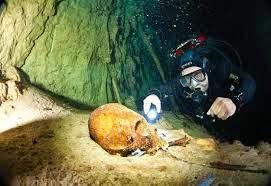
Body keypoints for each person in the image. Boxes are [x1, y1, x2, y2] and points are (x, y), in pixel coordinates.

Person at [143, 35, 256, 135]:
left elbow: (249, 81)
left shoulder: (220, 71)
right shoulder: (182, 86)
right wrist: (153, 95)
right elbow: (164, 89)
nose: (194, 84)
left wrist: (235, 100)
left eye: (198, 76)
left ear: (206, 71)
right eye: (187, 80)